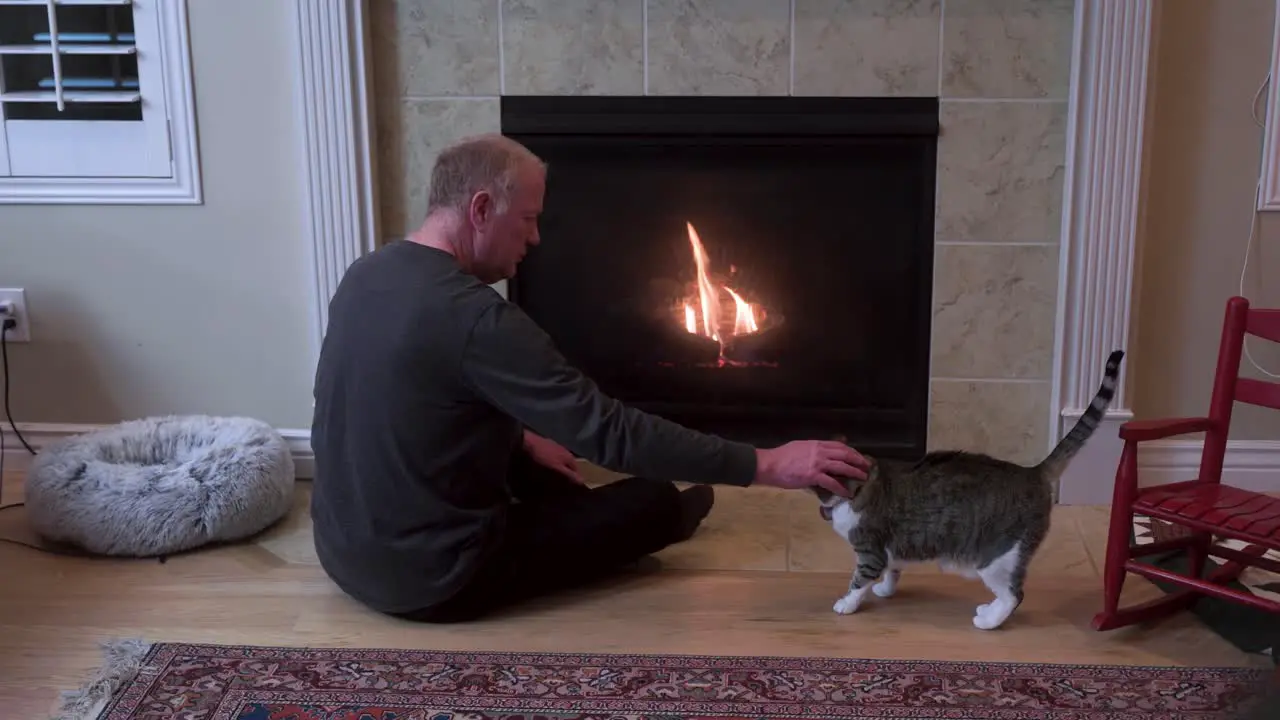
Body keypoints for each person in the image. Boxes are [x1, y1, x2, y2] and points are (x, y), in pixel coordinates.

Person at [310, 133, 870, 622]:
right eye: (528, 219)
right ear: (481, 208)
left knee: (549, 469)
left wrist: (520, 437)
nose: (534, 240)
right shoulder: (476, 318)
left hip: (344, 552)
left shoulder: (368, 273)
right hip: (435, 580)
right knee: (648, 502)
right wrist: (767, 463)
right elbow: (611, 433)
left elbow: (408, 398)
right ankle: (667, 511)